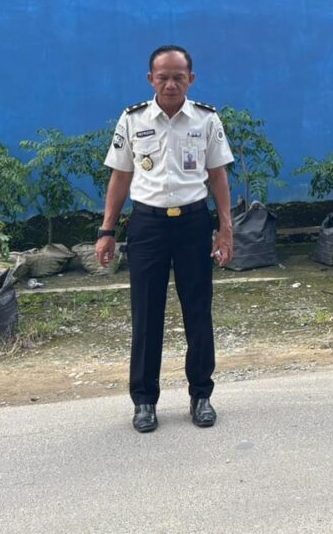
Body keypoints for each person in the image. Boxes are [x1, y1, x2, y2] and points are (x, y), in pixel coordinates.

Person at [96, 45, 234, 433]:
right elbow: (120, 177)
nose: (171, 84)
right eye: (163, 77)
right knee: (146, 314)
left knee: (198, 312)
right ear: (150, 80)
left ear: (191, 78)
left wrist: (225, 229)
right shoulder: (133, 119)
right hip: (148, 227)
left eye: (178, 76)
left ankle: (201, 394)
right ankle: (144, 401)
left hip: (192, 225)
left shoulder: (206, 119)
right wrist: (107, 230)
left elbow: (218, 177)